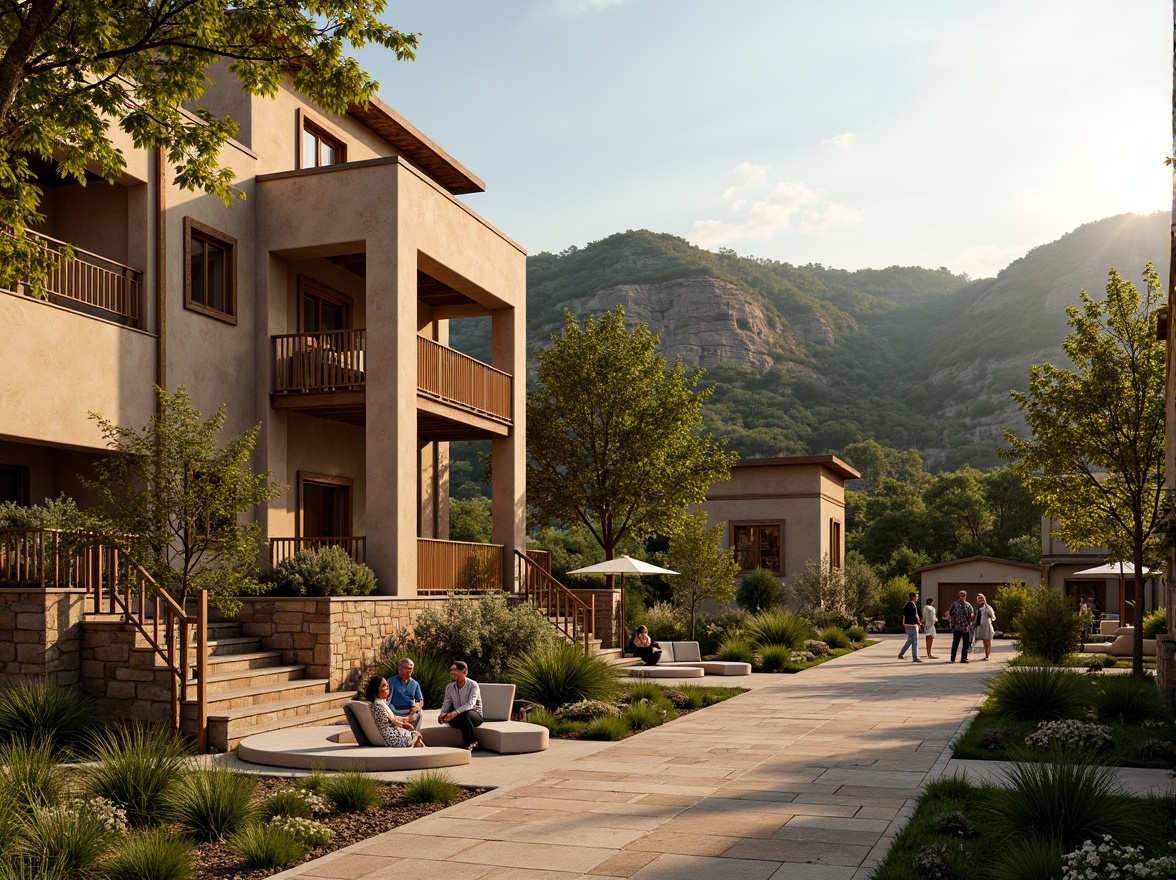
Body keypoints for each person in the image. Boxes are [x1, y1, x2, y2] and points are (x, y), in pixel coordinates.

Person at [364, 676, 424, 748]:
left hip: (393, 734)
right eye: (383, 686)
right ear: (376, 690)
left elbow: (392, 718)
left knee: (417, 737)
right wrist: (404, 725)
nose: (387, 687)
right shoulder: (377, 707)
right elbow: (391, 722)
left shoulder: (381, 704)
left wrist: (404, 720)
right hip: (392, 738)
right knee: (417, 736)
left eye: (387, 685)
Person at [438, 660, 482, 750]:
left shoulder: (473, 685)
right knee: (458, 717)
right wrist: (442, 714)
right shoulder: (449, 687)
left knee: (465, 714)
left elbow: (470, 704)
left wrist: (454, 713)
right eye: (451, 670)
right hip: (459, 718)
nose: (452, 672)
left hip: (474, 715)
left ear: (464, 672)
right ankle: (471, 743)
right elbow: (447, 703)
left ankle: (473, 742)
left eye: (455, 670)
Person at [388, 658, 424, 731]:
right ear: (399, 669)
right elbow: (387, 699)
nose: (409, 671)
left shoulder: (415, 684)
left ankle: (414, 735)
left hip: (409, 710)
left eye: (410, 668)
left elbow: (420, 701)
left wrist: (414, 710)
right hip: (395, 710)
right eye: (406, 668)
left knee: (419, 713)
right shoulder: (391, 681)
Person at [944, 590, 975, 663]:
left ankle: (964, 658)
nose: (962, 596)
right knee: (955, 643)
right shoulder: (955, 604)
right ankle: (953, 657)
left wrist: (971, 621)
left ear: (966, 596)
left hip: (965, 627)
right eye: (961, 595)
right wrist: (952, 621)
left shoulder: (968, 605)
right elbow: (950, 613)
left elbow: (971, 614)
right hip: (957, 627)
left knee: (965, 643)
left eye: (963, 595)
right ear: (959, 595)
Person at [897, 591, 922, 662]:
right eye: (916, 596)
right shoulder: (912, 605)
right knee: (915, 641)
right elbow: (913, 615)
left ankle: (901, 654)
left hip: (907, 625)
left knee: (910, 640)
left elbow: (904, 615)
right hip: (912, 625)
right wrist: (918, 622)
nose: (917, 598)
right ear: (913, 597)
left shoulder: (907, 605)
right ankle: (915, 657)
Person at [974, 593, 996, 660]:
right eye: (979, 599)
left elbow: (992, 616)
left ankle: (988, 655)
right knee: (984, 640)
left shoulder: (987, 608)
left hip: (987, 626)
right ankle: (986, 654)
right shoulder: (978, 608)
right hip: (981, 626)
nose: (980, 601)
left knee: (987, 640)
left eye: (981, 599)